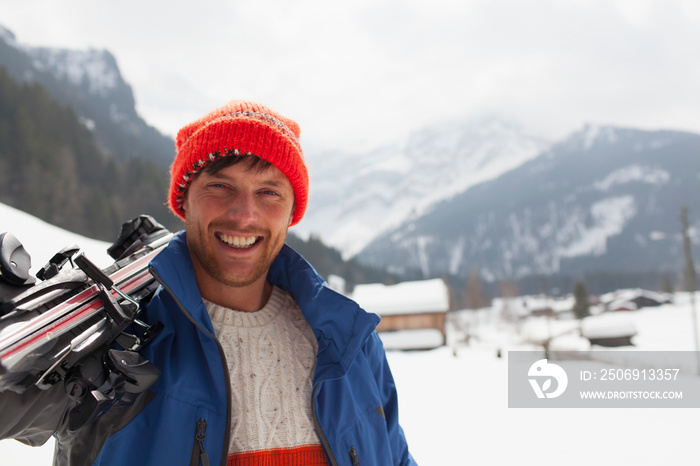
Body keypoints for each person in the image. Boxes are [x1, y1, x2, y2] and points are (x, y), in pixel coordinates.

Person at [1, 100, 417, 466]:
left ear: (292, 211)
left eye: (269, 192)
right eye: (220, 185)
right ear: (183, 201)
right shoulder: (114, 344)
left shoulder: (350, 342)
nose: (243, 214)